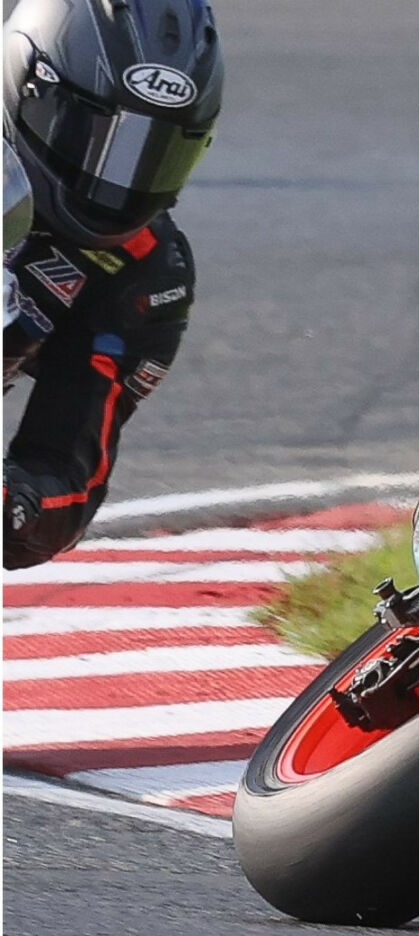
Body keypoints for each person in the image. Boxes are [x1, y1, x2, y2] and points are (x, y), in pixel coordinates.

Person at [3, 0, 223, 569]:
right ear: (29, 86)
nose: (115, 180)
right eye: (89, 133)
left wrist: (18, 502)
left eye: (154, 153)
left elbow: (67, 476)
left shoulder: (142, 270)